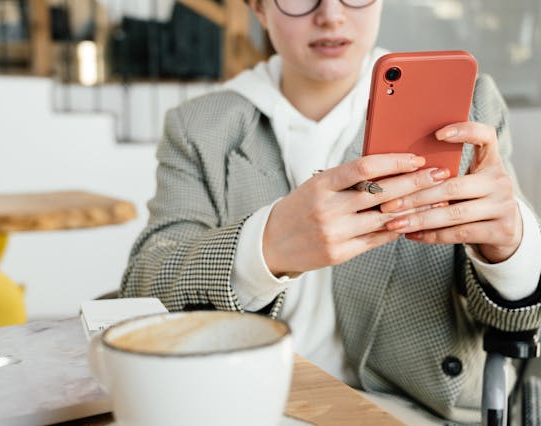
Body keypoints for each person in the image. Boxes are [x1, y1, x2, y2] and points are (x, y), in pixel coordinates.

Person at [120, 0, 541, 422]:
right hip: (245, 405)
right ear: (260, 9)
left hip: (413, 410)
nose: (331, 15)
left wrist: (510, 251)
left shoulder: (466, 108)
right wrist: (261, 249)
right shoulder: (200, 126)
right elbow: (145, 282)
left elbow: (521, 319)